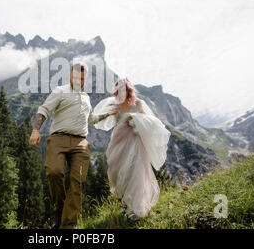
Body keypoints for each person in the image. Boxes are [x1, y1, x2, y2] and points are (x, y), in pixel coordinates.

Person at [29, 61, 118, 229]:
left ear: (86, 78)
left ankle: (67, 226)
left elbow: (91, 119)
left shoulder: (86, 97)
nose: (79, 81)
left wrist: (108, 113)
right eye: (76, 77)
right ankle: (59, 209)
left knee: (78, 182)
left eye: (82, 78)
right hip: (58, 139)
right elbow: (43, 110)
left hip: (80, 144)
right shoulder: (60, 91)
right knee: (54, 171)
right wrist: (36, 130)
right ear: (70, 75)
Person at [92, 78, 171, 220]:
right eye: (119, 89)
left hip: (135, 142)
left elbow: (148, 121)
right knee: (119, 174)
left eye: (125, 89)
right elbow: (101, 118)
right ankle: (126, 203)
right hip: (118, 143)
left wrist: (135, 118)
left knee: (136, 173)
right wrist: (108, 113)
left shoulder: (137, 103)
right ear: (117, 91)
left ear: (129, 90)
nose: (122, 92)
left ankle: (137, 208)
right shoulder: (113, 105)